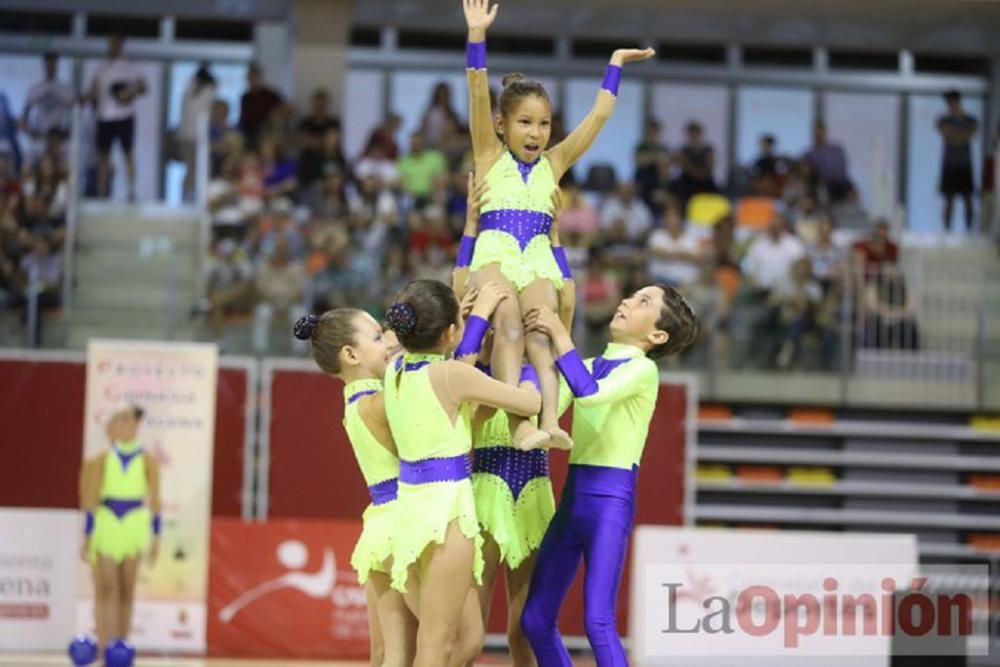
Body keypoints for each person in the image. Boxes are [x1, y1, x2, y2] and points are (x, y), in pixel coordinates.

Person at [462, 0, 654, 451]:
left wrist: (615, 66)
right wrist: (476, 36)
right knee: (507, 326)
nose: (536, 133)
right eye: (525, 123)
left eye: (544, 123)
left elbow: (598, 120)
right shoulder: (488, 155)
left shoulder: (556, 161)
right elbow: (476, 92)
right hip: (494, 252)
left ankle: (549, 421)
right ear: (501, 125)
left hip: (537, 257)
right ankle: (516, 424)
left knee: (542, 333)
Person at [520, 284, 697, 665]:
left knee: (598, 621)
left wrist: (558, 332)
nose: (626, 302)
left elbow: (590, 394)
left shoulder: (643, 370)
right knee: (535, 620)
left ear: (657, 335)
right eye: (632, 295)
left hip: (609, 504)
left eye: (643, 302)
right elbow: (542, 402)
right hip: (573, 500)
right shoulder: (583, 363)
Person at [382, 278, 541, 667]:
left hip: (409, 510)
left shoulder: (396, 368)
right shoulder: (453, 377)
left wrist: (468, 321)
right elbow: (529, 400)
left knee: (467, 640)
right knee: (435, 646)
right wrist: (534, 366)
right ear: (450, 331)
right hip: (445, 511)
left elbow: (460, 408)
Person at [293, 311, 418, 667]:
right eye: (378, 336)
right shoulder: (379, 402)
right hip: (406, 522)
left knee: (387, 652)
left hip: (381, 524)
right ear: (351, 355)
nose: (389, 341)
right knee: (439, 644)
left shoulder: (357, 400)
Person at [79, 406, 161, 653]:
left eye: (127, 420)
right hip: (107, 523)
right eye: (117, 420)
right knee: (106, 587)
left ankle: (121, 647)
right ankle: (105, 645)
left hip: (133, 525)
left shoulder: (148, 460)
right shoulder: (100, 460)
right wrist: (87, 535)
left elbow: (155, 500)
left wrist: (156, 537)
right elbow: (90, 501)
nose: (121, 424)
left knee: (127, 588)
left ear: (136, 426)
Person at [87, 34, 147, 200]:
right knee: (103, 155)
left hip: (124, 116)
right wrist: (90, 99)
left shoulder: (130, 67)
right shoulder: (102, 68)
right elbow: (93, 90)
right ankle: (101, 192)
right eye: (110, 43)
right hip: (105, 116)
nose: (112, 46)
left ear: (121, 45)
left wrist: (128, 94)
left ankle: (131, 190)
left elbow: (143, 87)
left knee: (127, 153)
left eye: (115, 43)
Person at [20, 52, 75, 161]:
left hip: (59, 138)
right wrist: (30, 131)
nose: (51, 66)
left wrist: (67, 132)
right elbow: (25, 116)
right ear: (44, 64)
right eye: (48, 63)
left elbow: (75, 114)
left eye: (53, 63)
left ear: (57, 64)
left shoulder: (66, 90)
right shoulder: (35, 89)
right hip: (41, 137)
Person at [937, 90, 979, 232]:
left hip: (965, 164)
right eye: (949, 103)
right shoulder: (943, 120)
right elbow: (948, 133)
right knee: (949, 200)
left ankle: (969, 230)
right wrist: (961, 136)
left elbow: (967, 135)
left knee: (968, 199)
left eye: (953, 102)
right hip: (949, 164)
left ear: (958, 102)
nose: (951, 105)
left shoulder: (971, 120)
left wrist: (955, 136)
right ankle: (947, 231)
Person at [177, 63, 217, 201]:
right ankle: (188, 197)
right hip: (192, 136)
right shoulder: (201, 89)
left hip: (194, 136)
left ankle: (194, 196)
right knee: (192, 168)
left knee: (196, 169)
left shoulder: (192, 88)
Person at [238, 62, 283, 150]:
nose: (251, 80)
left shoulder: (270, 95)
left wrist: (273, 121)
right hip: (248, 132)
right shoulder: (245, 97)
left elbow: (284, 108)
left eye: (254, 77)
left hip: (266, 131)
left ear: (259, 77)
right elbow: (242, 117)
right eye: (249, 78)